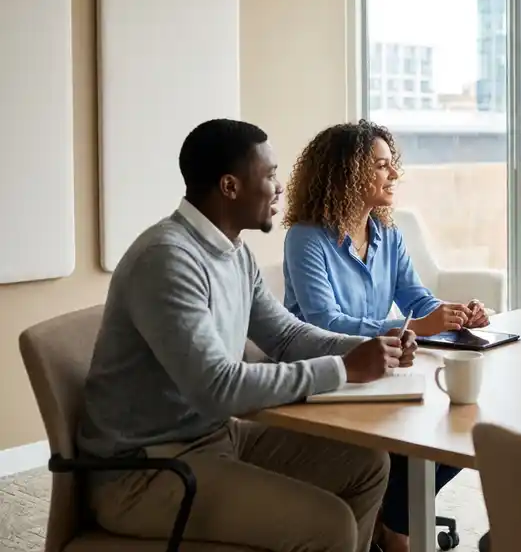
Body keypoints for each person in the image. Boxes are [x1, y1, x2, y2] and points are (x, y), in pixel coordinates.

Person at [77, 118, 416, 552]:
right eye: (270, 175)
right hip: (145, 472)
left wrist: (371, 350)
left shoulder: (235, 253)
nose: (280, 188)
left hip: (216, 440)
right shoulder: (167, 260)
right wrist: (342, 368)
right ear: (230, 187)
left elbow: (287, 337)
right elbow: (217, 388)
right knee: (328, 524)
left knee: (367, 464)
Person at [282, 120, 487, 552]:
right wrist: (410, 327)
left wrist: (455, 315)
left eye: (392, 166)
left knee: (462, 429)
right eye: (381, 166)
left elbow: (417, 299)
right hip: (326, 374)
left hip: (381, 372)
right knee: (423, 435)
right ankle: (397, 529)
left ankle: (393, 523)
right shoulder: (305, 239)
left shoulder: (387, 233)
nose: (394, 175)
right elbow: (326, 323)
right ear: (347, 173)